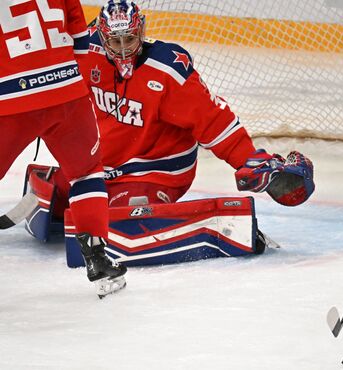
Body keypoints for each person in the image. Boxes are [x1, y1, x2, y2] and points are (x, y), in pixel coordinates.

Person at [26, 0, 314, 264]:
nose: (124, 49)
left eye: (130, 39)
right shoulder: (85, 54)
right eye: (116, 41)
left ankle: (212, 227)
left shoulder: (168, 71)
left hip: (156, 170)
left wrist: (250, 160)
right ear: (102, 37)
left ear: (142, 31)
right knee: (57, 199)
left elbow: (214, 120)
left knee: (116, 222)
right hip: (104, 165)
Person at [0, 0, 126, 297]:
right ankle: (97, 259)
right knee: (86, 173)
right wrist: (66, 86)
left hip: (10, 98)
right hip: (68, 91)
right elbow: (80, 37)